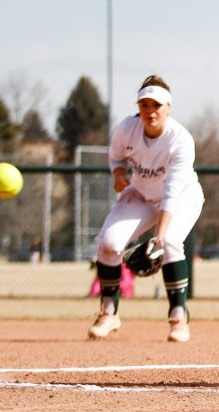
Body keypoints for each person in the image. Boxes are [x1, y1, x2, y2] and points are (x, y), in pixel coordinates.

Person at [87, 75, 204, 343]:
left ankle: (179, 317)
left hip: (182, 198)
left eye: (157, 105)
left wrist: (158, 238)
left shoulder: (180, 140)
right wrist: (118, 175)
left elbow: (172, 194)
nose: (150, 111)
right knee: (108, 244)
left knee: (171, 243)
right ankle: (108, 313)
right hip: (141, 195)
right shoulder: (127, 129)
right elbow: (116, 157)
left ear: (168, 107)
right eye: (145, 105)